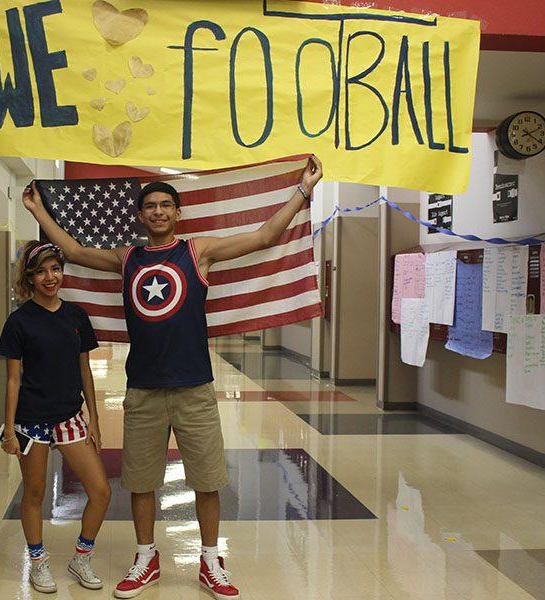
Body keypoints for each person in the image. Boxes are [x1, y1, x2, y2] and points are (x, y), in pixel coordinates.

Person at [23, 155, 323, 600]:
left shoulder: (198, 251)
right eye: (151, 206)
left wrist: (304, 189)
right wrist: (37, 212)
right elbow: (73, 252)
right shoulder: (129, 257)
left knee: (207, 480)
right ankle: (146, 557)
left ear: (177, 213)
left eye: (166, 205)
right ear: (141, 216)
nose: (158, 212)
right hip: (142, 389)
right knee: (141, 481)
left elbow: (263, 236)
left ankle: (209, 560)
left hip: (194, 388)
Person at [0, 240, 112, 594]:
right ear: (30, 277)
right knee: (34, 494)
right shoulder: (18, 322)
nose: (50, 277)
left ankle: (81, 557)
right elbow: (13, 379)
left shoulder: (76, 317)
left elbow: (85, 371)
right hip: (31, 421)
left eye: (55, 269)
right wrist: (11, 431)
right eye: (42, 271)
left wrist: (93, 417)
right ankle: (38, 562)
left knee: (101, 491)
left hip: (69, 417)